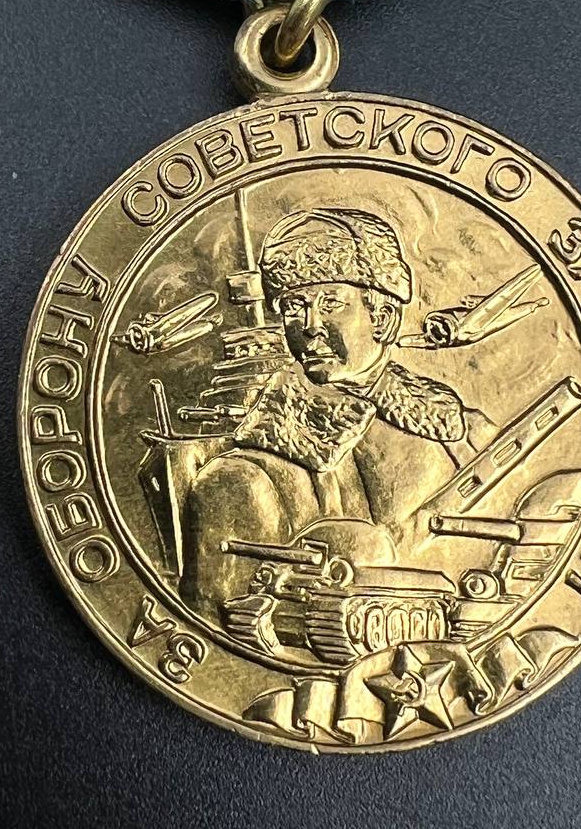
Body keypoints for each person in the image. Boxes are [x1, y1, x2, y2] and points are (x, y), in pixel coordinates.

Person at [180, 207, 493, 618]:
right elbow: (219, 617)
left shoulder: (467, 430)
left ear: (383, 318)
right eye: (294, 307)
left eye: (330, 303)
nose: (309, 325)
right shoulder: (242, 480)